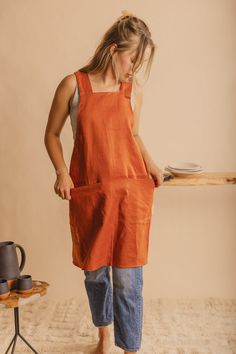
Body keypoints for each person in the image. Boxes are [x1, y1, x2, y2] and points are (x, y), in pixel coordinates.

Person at [44, 10, 164, 354]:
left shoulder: (133, 91)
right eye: (132, 60)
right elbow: (51, 134)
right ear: (113, 50)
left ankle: (130, 350)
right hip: (92, 194)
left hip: (129, 194)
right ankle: (104, 338)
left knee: (128, 280)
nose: (134, 69)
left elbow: (134, 135)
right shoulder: (73, 85)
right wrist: (62, 171)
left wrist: (152, 164)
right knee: (95, 274)